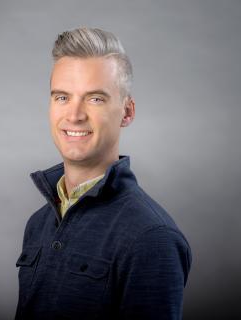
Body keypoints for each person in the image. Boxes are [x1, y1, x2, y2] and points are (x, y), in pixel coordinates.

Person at [15, 27, 192, 320]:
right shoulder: (38, 224)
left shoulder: (152, 238)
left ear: (127, 112)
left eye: (95, 99)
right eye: (62, 97)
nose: (74, 115)